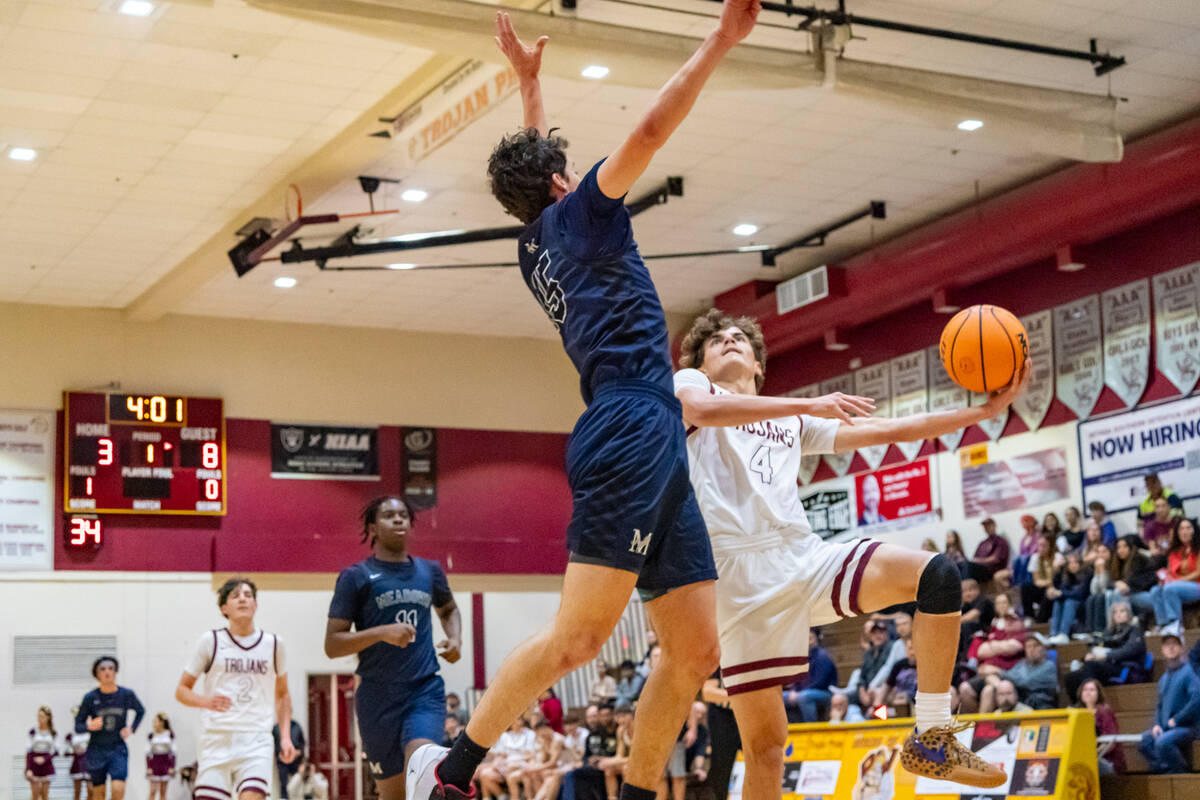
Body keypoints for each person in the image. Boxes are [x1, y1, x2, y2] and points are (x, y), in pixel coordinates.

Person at [407, 9, 770, 800]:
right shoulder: (584, 213)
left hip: (650, 428)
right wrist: (722, 40)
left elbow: (540, 173)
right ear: (567, 186)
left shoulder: (535, 239)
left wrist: (529, 86)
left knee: (693, 648)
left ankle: (637, 793)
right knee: (578, 639)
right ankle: (453, 771)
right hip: (631, 424)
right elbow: (649, 128)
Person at [673, 309, 1027, 793]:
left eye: (740, 338)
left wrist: (983, 413)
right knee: (767, 746)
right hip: (738, 578)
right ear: (702, 362)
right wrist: (810, 404)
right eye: (717, 341)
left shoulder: (793, 422)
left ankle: (932, 734)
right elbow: (700, 411)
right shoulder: (693, 385)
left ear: (758, 365)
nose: (730, 341)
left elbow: (892, 430)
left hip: (804, 557)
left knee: (937, 575)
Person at [325, 496, 461, 800]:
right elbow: (332, 644)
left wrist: (455, 639)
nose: (398, 520)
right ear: (373, 526)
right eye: (389, 515)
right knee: (393, 793)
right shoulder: (356, 577)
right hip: (377, 697)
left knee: (422, 765)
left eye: (403, 516)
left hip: (423, 689)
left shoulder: (430, 572)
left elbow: (449, 609)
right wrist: (381, 633)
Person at [176, 578, 296, 800]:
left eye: (248, 595)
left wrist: (286, 737)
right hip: (216, 738)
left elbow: (282, 694)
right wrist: (206, 701)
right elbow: (181, 691)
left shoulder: (274, 644)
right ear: (224, 608)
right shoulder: (210, 641)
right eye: (235, 595)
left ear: (256, 605)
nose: (243, 598)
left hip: (256, 739)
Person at [75, 655, 145, 800]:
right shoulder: (90, 697)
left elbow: (140, 711)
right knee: (98, 794)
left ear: (115, 672)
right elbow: (78, 725)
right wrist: (89, 726)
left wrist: (132, 728)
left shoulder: (126, 694)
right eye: (103, 669)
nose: (107, 672)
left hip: (117, 748)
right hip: (96, 749)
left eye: (111, 668)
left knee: (118, 789)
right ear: (97, 674)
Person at [1138, 631, 1200, 774]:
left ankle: (1181, 773)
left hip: (1188, 727)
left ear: (1181, 648)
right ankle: (1165, 769)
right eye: (1167, 645)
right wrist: (1157, 725)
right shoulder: (1164, 678)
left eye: (1174, 644)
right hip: (1168, 727)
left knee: (1162, 742)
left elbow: (1196, 700)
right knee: (1145, 742)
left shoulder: (1189, 672)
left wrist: (1177, 719)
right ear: (1162, 650)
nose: (1171, 647)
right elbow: (1159, 706)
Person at [1063, 601, 1147, 702]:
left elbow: (1131, 649)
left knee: (1091, 666)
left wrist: (1106, 655)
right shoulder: (1109, 632)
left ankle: (1091, 703)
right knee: (1071, 677)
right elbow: (1098, 646)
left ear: (1129, 614)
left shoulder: (1135, 630)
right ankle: (1077, 705)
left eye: (1122, 611)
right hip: (1106, 666)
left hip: (1124, 667)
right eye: (1115, 612)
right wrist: (1087, 657)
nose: (1118, 614)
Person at [958, 593, 1026, 713]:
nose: (1001, 606)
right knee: (964, 689)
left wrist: (992, 646)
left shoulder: (1016, 623)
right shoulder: (994, 625)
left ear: (1010, 604)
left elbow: (1014, 647)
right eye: (998, 603)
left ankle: (984, 728)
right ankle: (975, 725)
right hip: (984, 671)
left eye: (1004, 602)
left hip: (1004, 671)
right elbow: (981, 652)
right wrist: (999, 646)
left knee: (988, 691)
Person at [1149, 517, 1200, 637]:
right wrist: (1164, 578)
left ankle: (1175, 623)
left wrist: (1176, 581)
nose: (1185, 531)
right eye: (1182, 528)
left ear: (1194, 530)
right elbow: (1171, 573)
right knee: (1155, 590)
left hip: (1197, 585)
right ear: (1177, 532)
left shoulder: (1198, 548)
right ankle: (1163, 624)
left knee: (1170, 588)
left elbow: (1198, 572)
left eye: (1188, 528)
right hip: (1178, 586)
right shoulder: (1174, 552)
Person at [977, 638, 1057, 712]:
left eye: (1035, 645)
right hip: (1019, 704)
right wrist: (992, 677)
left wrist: (997, 671)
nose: (1032, 649)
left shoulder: (1049, 666)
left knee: (1006, 691)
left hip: (1040, 705)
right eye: (1028, 646)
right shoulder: (1021, 665)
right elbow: (1009, 677)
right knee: (989, 689)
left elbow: (1025, 681)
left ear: (1043, 648)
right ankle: (983, 725)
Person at [699, 674, 739, 800]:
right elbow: (707, 692)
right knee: (721, 769)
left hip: (749, 714)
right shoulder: (719, 658)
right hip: (723, 716)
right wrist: (742, 697)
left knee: (758, 764)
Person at [783, 630, 837, 723]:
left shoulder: (823, 656)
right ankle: (789, 728)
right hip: (803, 692)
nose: (808, 641)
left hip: (825, 692)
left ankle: (811, 727)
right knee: (782, 696)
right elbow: (797, 678)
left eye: (810, 638)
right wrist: (794, 691)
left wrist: (798, 693)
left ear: (816, 638)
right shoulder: (802, 657)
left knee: (804, 697)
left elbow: (820, 682)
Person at [1075, 679, 1124, 775]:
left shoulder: (1104, 711)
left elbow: (1111, 743)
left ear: (1098, 694)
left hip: (1107, 760)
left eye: (1092, 690)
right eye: (1085, 690)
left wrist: (1092, 754)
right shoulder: (1078, 713)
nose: (1088, 693)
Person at [1047, 551, 1091, 644]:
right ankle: (1054, 634)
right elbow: (1061, 589)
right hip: (1071, 602)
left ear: (1080, 563)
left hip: (1083, 603)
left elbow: (1080, 594)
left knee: (1069, 601)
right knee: (1058, 602)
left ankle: (1064, 634)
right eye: (1070, 563)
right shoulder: (1066, 575)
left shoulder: (1087, 573)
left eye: (1075, 562)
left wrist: (1061, 593)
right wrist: (1055, 593)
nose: (1073, 565)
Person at [961, 518, 1011, 585]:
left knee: (967, 566)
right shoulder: (982, 543)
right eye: (985, 526)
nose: (987, 528)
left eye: (989, 525)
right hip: (981, 569)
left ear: (994, 526)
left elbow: (995, 559)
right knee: (960, 565)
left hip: (991, 570)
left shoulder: (1000, 541)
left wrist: (979, 561)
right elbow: (975, 558)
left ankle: (966, 587)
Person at [1019, 535, 1056, 623]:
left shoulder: (1056, 557)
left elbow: (1056, 580)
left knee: (1049, 593)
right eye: (1039, 545)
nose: (1041, 548)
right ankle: (1029, 616)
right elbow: (1037, 581)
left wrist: (1050, 583)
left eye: (1044, 545)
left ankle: (1041, 621)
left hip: (1055, 588)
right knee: (1025, 587)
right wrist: (1049, 582)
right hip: (1045, 586)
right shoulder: (1035, 557)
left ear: (1050, 547)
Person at [26, 706, 57, 800]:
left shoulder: (52, 733)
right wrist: (28, 768)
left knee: (44, 794)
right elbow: (29, 751)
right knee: (35, 794)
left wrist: (45, 759)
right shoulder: (33, 731)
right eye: (38, 716)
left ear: (48, 717)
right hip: (34, 763)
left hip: (46, 764)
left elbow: (55, 751)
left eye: (42, 716)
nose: (39, 719)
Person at [1083, 544, 1113, 634]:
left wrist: (1103, 571)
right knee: (1090, 598)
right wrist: (1097, 572)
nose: (1101, 555)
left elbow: (1104, 589)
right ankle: (1090, 630)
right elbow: (1094, 591)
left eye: (1104, 552)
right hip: (1101, 594)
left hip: (1110, 593)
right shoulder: (1097, 567)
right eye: (1099, 552)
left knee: (1099, 597)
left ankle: (1099, 629)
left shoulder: (1113, 565)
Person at [1004, 515, 1041, 588]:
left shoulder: (1037, 535)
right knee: (1017, 559)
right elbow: (1020, 552)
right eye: (1023, 522)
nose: (1023, 524)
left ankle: (1022, 583)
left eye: (1026, 521)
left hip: (1031, 559)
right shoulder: (1024, 538)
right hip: (1023, 560)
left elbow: (1034, 550)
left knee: (1023, 559)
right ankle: (1017, 583)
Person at [145, 713, 175, 800]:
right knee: (153, 790)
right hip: (154, 763)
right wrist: (149, 767)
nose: (154, 724)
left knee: (163, 791)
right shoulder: (151, 736)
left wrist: (172, 766)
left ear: (162, 723)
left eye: (156, 721)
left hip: (165, 763)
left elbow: (173, 752)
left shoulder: (169, 735)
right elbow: (147, 753)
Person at [958, 579, 995, 650]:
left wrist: (951, 623)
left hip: (991, 630)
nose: (966, 594)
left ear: (977, 590)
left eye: (969, 590)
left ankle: (966, 657)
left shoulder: (983, 600)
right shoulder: (968, 604)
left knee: (965, 626)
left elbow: (972, 615)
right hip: (980, 629)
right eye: (963, 592)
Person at [274, 720, 307, 798]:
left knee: (296, 785)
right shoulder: (276, 728)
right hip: (281, 762)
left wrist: (298, 754)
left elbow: (302, 744)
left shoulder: (296, 726)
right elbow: (273, 745)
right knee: (283, 785)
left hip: (295, 761)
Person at [65, 727, 90, 800]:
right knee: (77, 791)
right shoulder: (72, 735)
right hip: (77, 764)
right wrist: (75, 751)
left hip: (89, 764)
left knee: (91, 790)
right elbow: (67, 752)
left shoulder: (91, 733)